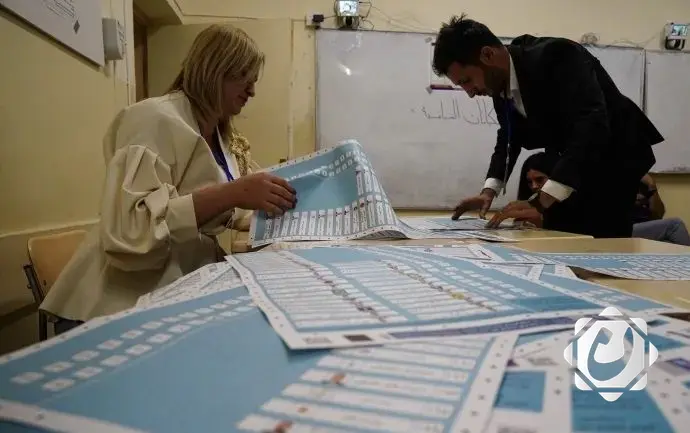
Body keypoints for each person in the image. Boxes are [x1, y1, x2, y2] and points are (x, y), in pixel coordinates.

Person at [40, 24, 296, 334]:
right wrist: (232, 193)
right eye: (245, 78)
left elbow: (224, 207)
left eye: (254, 82)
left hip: (176, 289)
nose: (252, 91)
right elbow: (132, 231)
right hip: (116, 305)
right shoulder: (153, 118)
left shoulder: (220, 136)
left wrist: (274, 207)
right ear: (214, 69)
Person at [432, 14, 664, 238]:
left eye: (466, 81)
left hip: (618, 153)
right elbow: (509, 136)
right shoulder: (498, 81)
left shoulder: (557, 55)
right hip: (577, 160)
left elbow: (591, 124)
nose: (470, 93)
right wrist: (488, 191)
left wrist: (541, 201)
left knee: (602, 238)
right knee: (566, 233)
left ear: (487, 54)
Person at [505, 152, 690, 245]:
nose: (534, 186)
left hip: (624, 229)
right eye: (530, 182)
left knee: (674, 225)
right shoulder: (539, 199)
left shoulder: (620, 177)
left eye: (540, 180)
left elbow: (657, 214)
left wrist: (651, 186)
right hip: (610, 232)